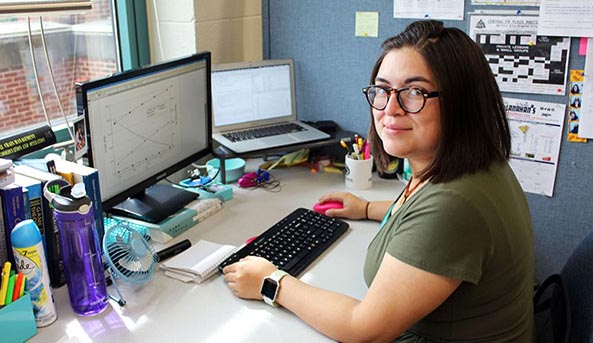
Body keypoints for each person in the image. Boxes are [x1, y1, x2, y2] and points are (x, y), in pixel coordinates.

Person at [222, 20, 534, 342]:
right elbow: (425, 212)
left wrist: (271, 282)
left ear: (460, 102)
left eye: (414, 92)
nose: (390, 109)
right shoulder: (476, 163)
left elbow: (363, 330)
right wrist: (368, 208)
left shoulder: (454, 206)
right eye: (382, 90)